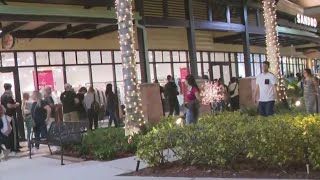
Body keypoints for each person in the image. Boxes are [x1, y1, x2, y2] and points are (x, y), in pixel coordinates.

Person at [1, 83, 20, 152]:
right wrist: (16, 104)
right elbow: (9, 105)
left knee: (9, 132)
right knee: (14, 132)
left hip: (6, 116)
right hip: (11, 115)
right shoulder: (8, 96)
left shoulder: (2, 96)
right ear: (10, 88)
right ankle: (15, 147)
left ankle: (11, 146)